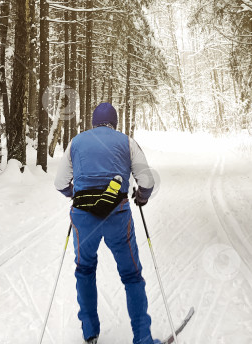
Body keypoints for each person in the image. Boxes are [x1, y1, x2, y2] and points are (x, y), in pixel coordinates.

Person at [54, 102, 160, 344]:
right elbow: (147, 180)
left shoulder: (76, 142)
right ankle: (143, 338)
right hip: (117, 215)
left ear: (93, 122)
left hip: (83, 217)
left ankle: (90, 332)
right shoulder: (127, 142)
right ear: (115, 122)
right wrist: (141, 197)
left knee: (84, 270)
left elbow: (60, 183)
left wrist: (76, 193)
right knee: (132, 275)